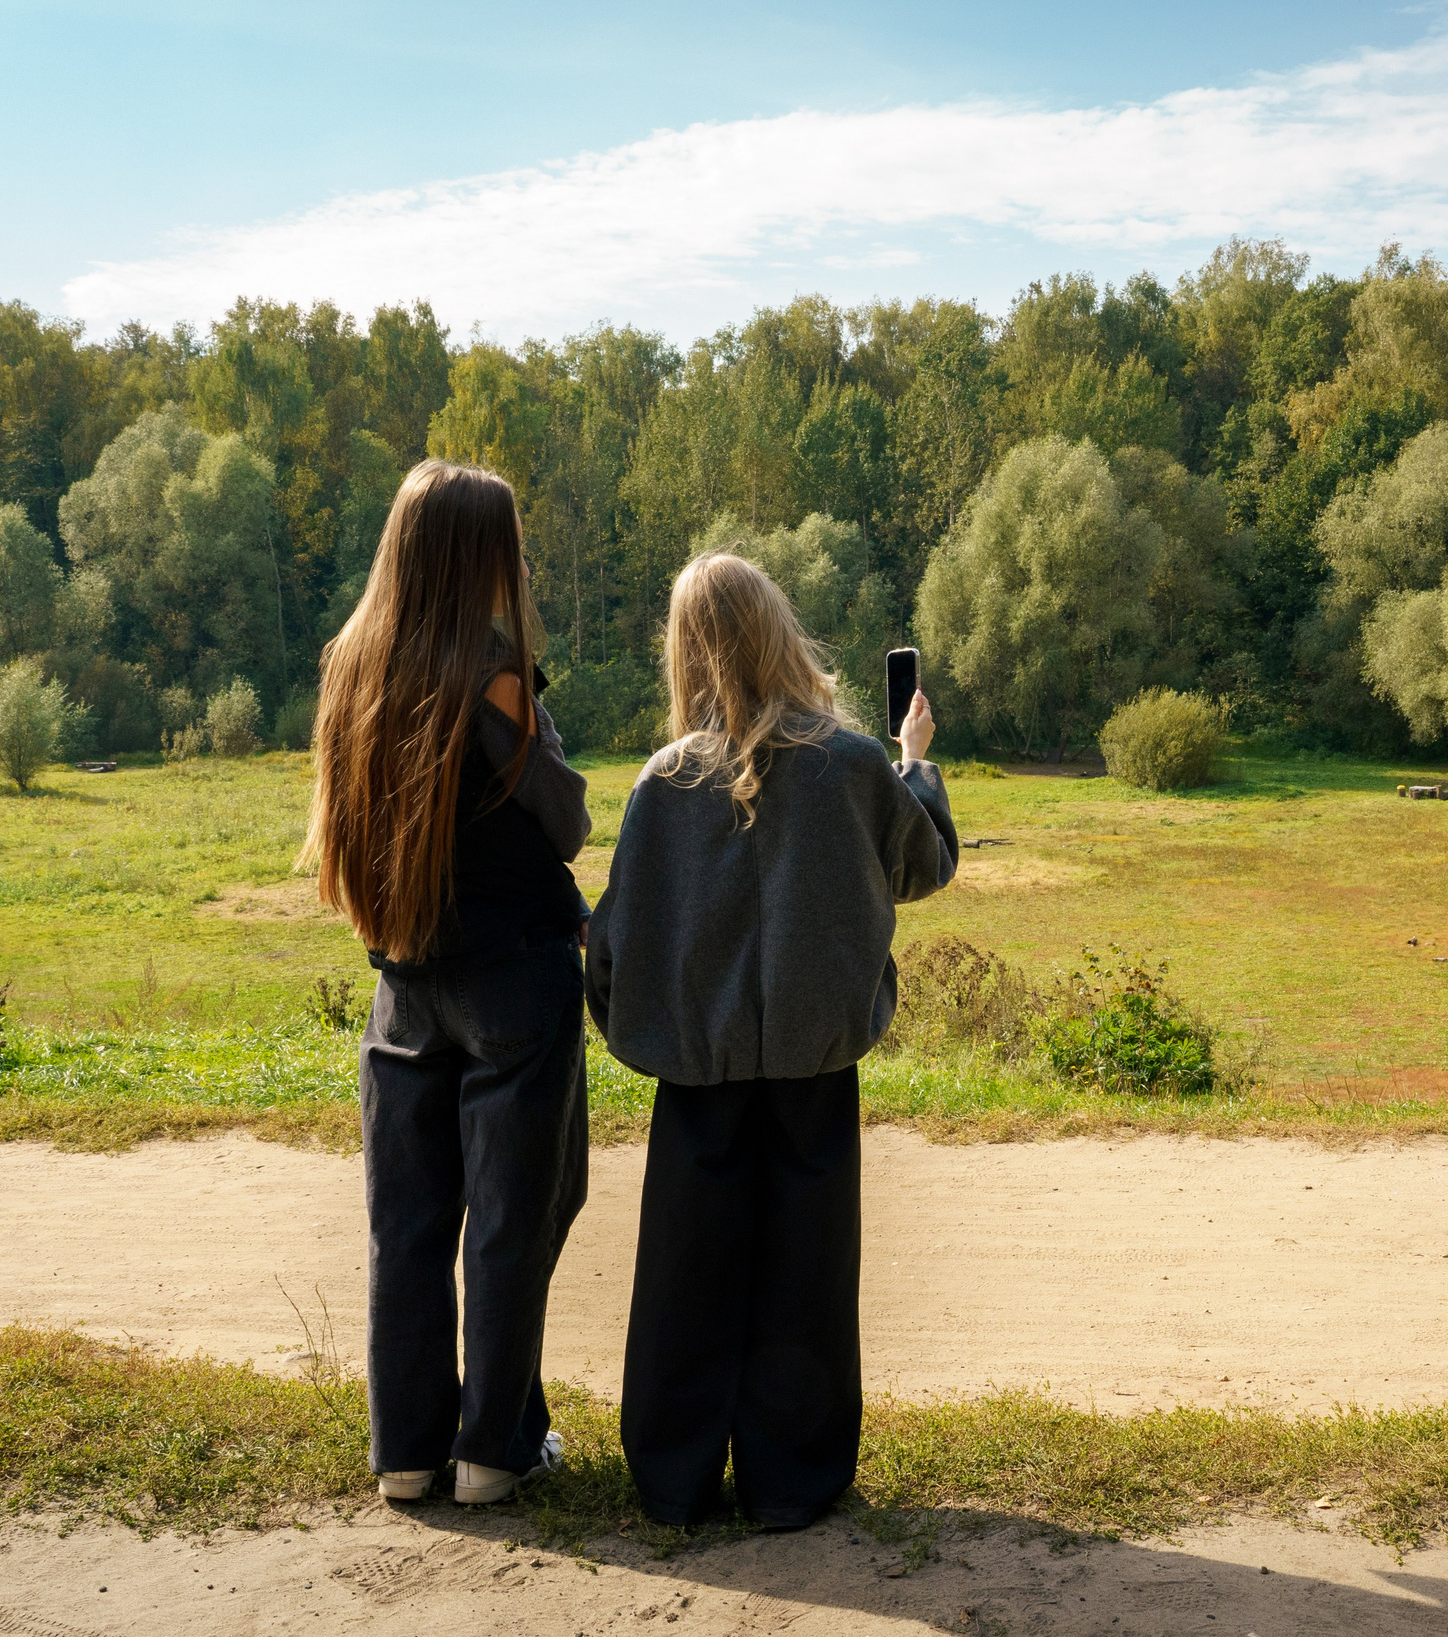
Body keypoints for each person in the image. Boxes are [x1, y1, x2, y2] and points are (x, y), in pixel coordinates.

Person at [586, 552, 960, 1529]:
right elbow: (925, 868)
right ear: (779, 633)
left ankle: (672, 1475)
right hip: (814, 1062)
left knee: (684, 1272)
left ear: (688, 652)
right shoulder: (850, 764)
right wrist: (916, 761)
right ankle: (790, 1482)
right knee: (807, 1275)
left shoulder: (664, 781)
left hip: (697, 1071)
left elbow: (615, 939)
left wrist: (642, 1020)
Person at [299, 459, 593, 1507]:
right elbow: (565, 820)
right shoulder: (495, 670)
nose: (519, 562)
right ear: (482, 555)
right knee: (519, 1216)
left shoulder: (353, 665)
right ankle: (493, 1451)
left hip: (402, 987)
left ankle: (407, 1452)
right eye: (508, 543)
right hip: (514, 978)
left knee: (409, 1227)